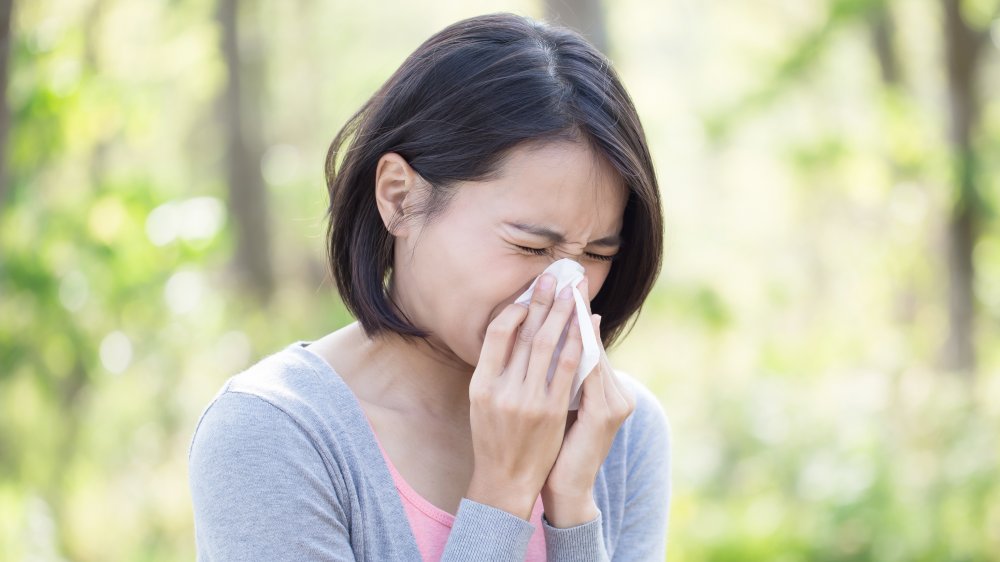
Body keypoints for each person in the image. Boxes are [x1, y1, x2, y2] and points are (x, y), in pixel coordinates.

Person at [188, 12, 671, 561]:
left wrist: (574, 507)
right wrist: (505, 492)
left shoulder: (621, 435)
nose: (565, 289)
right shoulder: (273, 435)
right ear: (400, 198)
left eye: (597, 254)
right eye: (530, 247)